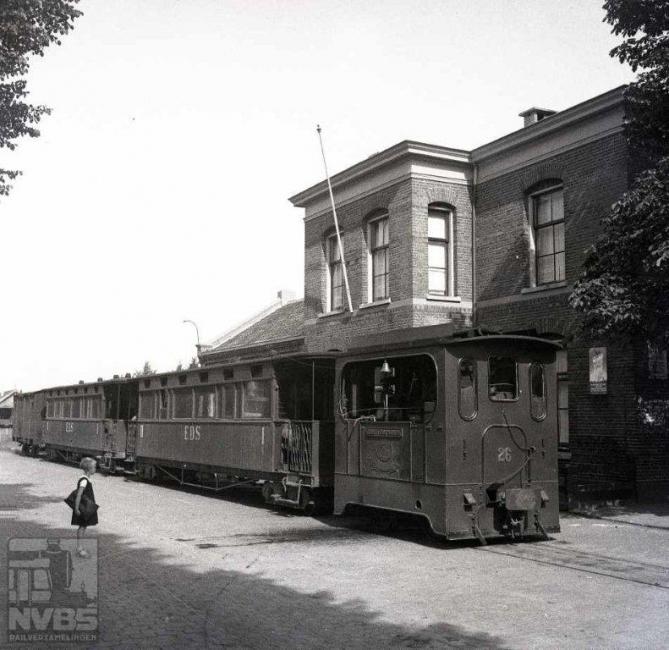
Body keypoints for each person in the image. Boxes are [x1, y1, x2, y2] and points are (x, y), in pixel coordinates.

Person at [72, 457, 98, 558]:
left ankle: (80, 547)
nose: (95, 469)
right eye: (94, 467)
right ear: (89, 469)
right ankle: (80, 548)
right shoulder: (84, 481)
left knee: (83, 526)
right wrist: (77, 508)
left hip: (83, 507)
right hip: (82, 508)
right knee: (82, 527)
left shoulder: (85, 479)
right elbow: (79, 495)